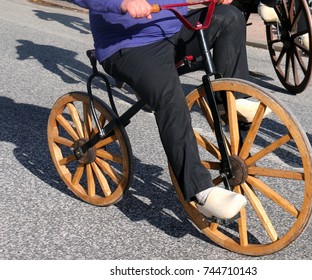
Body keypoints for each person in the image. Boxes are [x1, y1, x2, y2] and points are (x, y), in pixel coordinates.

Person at [73, 0, 254, 220]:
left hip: (174, 27)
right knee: (170, 97)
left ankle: (232, 102)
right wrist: (122, 3)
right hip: (128, 44)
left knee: (230, 17)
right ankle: (200, 190)